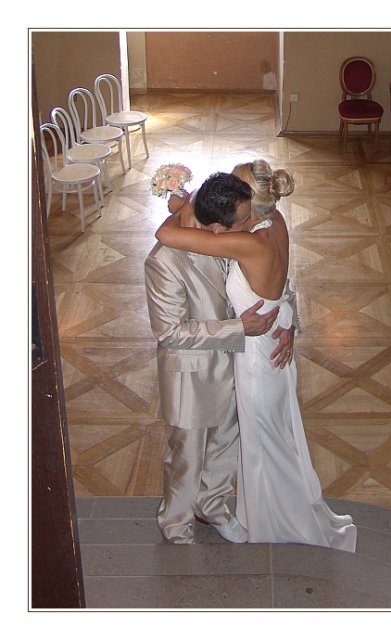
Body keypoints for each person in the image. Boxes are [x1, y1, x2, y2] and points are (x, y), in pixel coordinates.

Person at [155, 162, 357, 550]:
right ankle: (264, 515)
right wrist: (289, 320)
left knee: (264, 445)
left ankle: (280, 525)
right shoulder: (275, 221)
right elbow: (279, 288)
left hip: (256, 359)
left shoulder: (246, 242)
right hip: (272, 348)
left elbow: (166, 233)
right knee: (273, 438)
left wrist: (184, 204)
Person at [145, 174, 293, 545]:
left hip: (237, 365)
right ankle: (176, 525)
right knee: (188, 457)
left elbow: (272, 277)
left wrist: (290, 320)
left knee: (226, 445)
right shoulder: (164, 262)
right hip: (192, 376)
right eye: (244, 221)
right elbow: (169, 332)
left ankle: (212, 507)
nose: (252, 224)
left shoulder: (232, 230)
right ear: (217, 229)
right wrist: (238, 328)